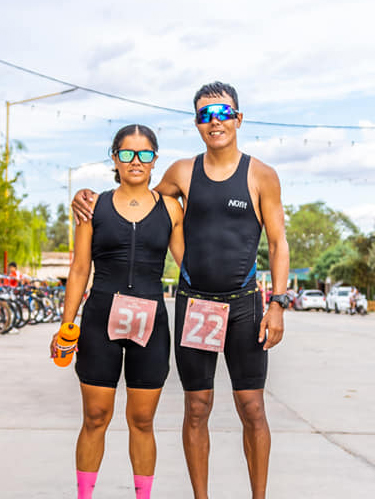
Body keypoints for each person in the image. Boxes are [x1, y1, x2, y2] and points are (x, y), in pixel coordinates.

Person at [73, 82, 288, 499]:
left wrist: (277, 303)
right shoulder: (181, 173)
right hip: (197, 306)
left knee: (253, 408)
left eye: (223, 113)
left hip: (244, 303)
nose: (215, 122)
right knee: (196, 408)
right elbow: (138, 202)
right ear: (196, 123)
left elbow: (279, 243)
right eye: (206, 115)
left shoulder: (261, 175)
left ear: (238, 119)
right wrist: (89, 197)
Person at [53, 124, 184, 499]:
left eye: (145, 154)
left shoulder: (171, 209)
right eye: (127, 153)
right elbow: (80, 268)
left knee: (142, 420)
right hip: (98, 322)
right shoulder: (92, 205)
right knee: (95, 418)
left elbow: (188, 265)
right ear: (115, 158)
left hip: (151, 324)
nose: (136, 161)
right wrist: (67, 324)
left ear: (155, 159)